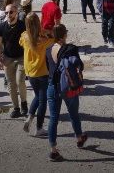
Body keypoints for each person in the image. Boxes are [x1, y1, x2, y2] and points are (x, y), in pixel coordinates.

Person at [46, 24, 87, 161]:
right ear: (65, 35)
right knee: (74, 114)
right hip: (68, 87)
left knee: (53, 118)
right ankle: (79, 138)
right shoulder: (70, 49)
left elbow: (49, 69)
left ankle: (53, 150)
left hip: (52, 87)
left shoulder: (48, 49)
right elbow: (80, 66)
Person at [19, 13, 54, 137]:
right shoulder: (44, 39)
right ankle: (39, 128)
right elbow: (53, 40)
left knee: (37, 96)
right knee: (42, 99)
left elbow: (21, 42)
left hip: (30, 71)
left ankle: (29, 118)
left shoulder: (24, 37)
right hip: (42, 71)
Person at [0, 3, 28, 118]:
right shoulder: (1, 27)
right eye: (7, 12)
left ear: (16, 13)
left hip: (21, 57)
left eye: (11, 12)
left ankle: (24, 102)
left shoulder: (23, 26)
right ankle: (16, 108)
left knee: (20, 81)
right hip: (8, 59)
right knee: (11, 84)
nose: (8, 14)